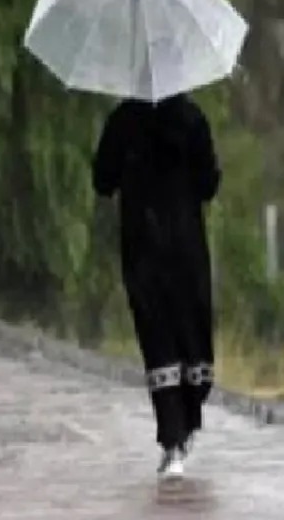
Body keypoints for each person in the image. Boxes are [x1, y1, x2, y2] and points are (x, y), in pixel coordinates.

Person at [92, 92, 221, 480]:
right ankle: (185, 423)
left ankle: (173, 438)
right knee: (190, 334)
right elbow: (208, 184)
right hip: (186, 249)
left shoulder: (123, 120)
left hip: (142, 247)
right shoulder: (192, 118)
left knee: (158, 338)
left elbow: (102, 180)